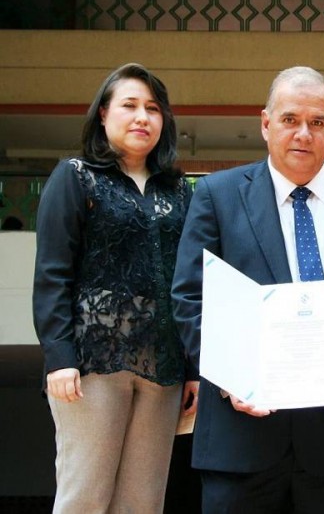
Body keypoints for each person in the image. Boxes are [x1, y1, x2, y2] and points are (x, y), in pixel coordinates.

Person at [171, 66, 324, 514]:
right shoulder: (216, 195)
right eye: (289, 120)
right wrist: (230, 378)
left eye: (317, 122)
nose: (303, 133)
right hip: (240, 436)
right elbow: (190, 298)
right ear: (265, 124)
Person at [32, 62, 195, 513]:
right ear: (103, 114)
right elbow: (52, 272)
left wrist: (194, 367)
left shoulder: (179, 191)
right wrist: (59, 357)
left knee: (143, 504)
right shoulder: (77, 175)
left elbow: (189, 282)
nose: (143, 117)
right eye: (130, 105)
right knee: (85, 498)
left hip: (163, 368)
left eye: (153, 108)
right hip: (92, 364)